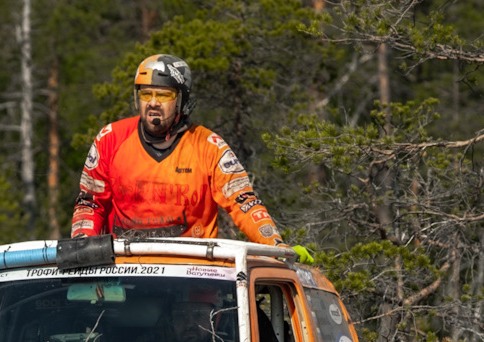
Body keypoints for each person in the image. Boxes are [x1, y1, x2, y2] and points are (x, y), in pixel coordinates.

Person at [70, 54, 308, 257]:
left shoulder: (209, 146)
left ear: (181, 100)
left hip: (191, 275)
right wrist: (82, 247)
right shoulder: (110, 139)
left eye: (163, 96)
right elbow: (90, 203)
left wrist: (276, 246)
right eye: (146, 94)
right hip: (127, 272)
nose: (152, 103)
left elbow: (244, 203)